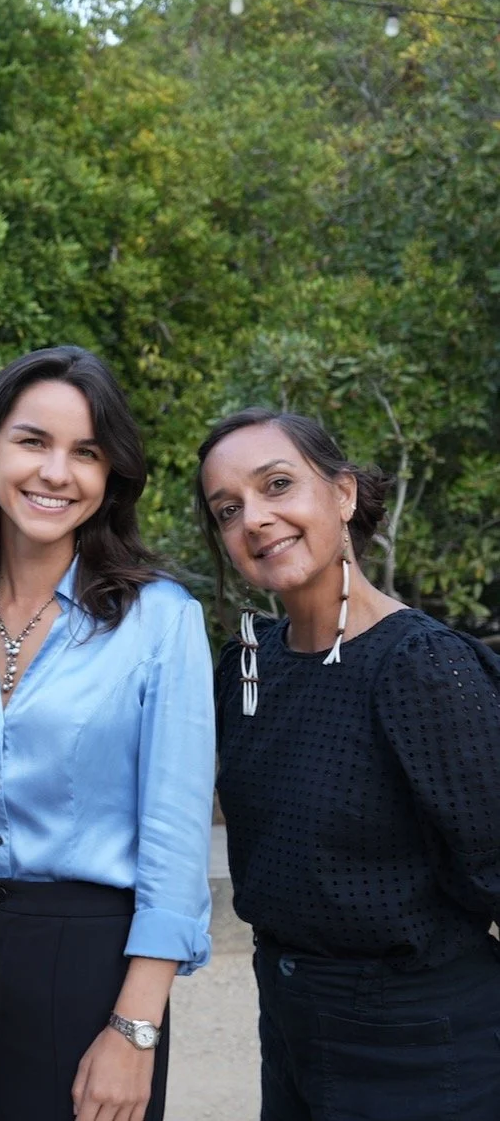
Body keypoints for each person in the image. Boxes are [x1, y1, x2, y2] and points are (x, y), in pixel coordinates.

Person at [0, 346, 216, 1121]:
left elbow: (176, 846)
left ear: (111, 474)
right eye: (32, 441)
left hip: (90, 966)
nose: (56, 471)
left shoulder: (162, 620)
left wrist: (134, 1027)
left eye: (85, 451)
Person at [196, 406, 500, 1121]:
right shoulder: (247, 665)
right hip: (289, 1031)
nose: (255, 518)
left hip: (424, 1048)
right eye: (228, 509)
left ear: (342, 493)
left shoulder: (424, 667)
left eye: (277, 484)